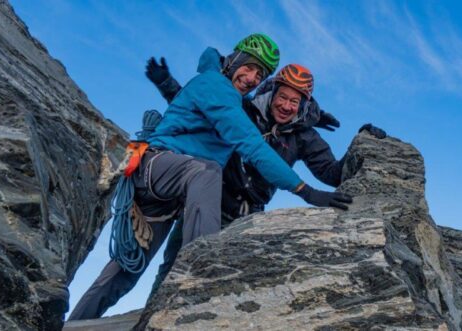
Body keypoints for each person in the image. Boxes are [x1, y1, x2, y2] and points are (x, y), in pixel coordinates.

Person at [68, 33, 352, 320]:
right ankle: (202, 269)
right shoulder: (230, 97)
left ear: (304, 106)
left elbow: (331, 171)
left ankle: (73, 324)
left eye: (260, 73)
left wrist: (355, 143)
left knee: (124, 273)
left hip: (188, 200)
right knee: (204, 181)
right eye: (250, 67)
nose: (252, 77)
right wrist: (304, 190)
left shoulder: (300, 133)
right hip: (180, 181)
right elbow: (248, 142)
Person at [143, 62, 387, 291]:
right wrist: (167, 84)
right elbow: (202, 105)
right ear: (271, 93)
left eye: (294, 101)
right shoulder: (244, 110)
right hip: (205, 206)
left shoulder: (304, 137)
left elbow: (332, 174)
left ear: (303, 105)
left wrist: (361, 143)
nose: (286, 106)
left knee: (222, 283)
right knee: (173, 271)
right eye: (282, 97)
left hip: (246, 221)